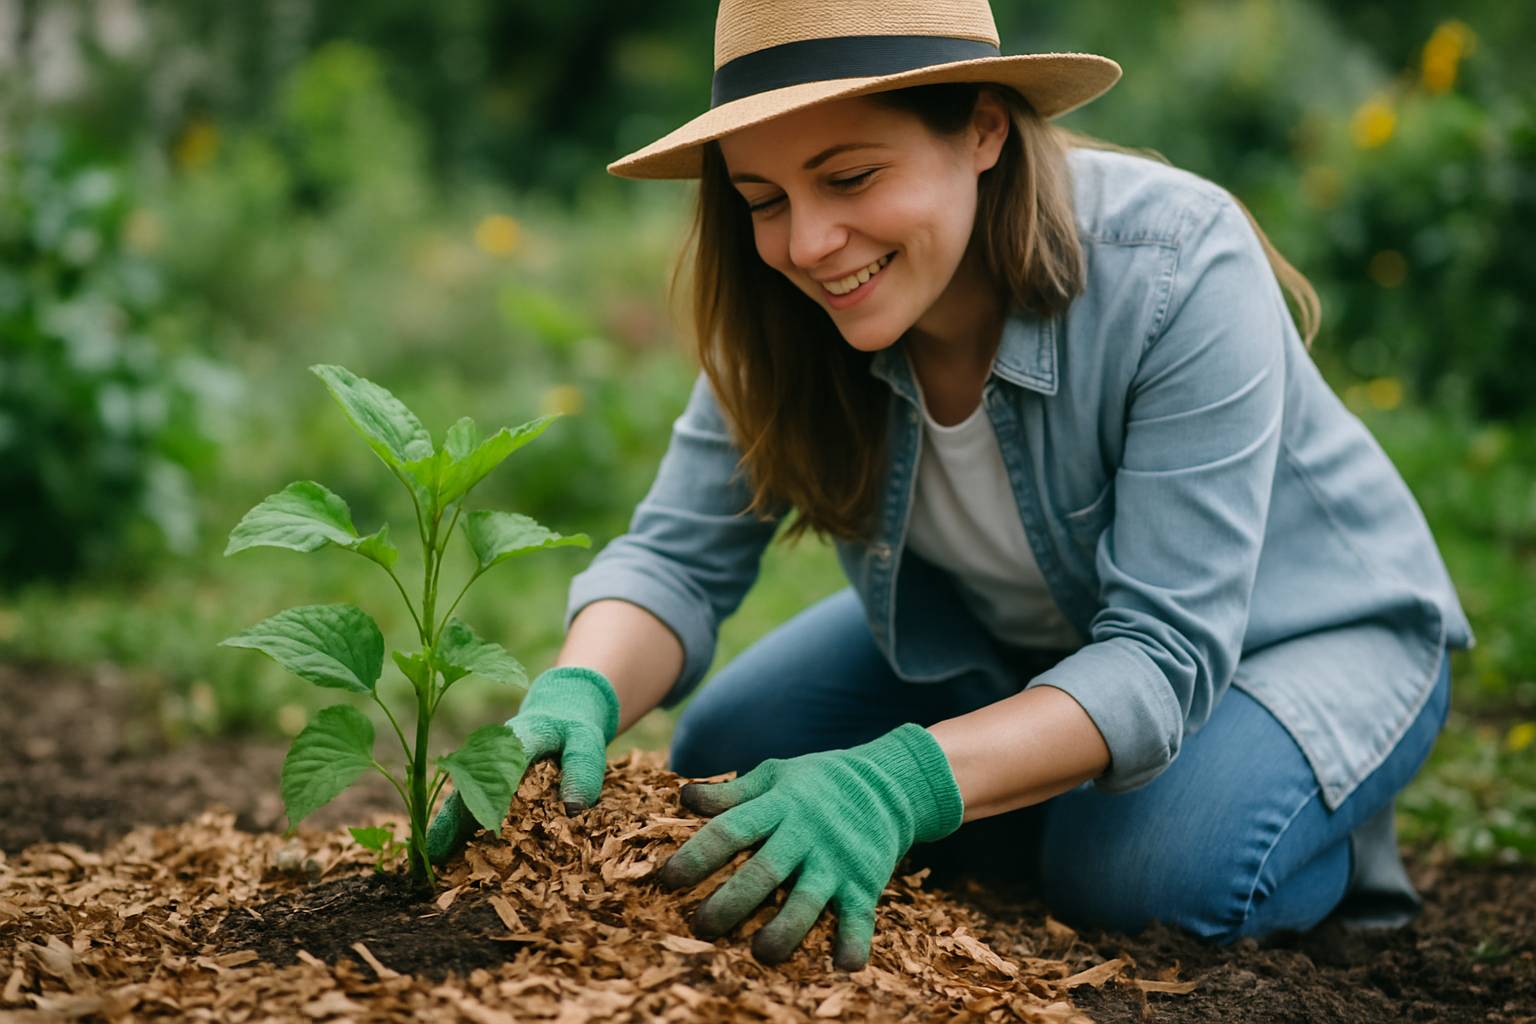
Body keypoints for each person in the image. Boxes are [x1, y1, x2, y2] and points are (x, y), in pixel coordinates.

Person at [428, 0, 1476, 973]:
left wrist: (901, 781)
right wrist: (576, 690)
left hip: (1302, 636)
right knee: (730, 756)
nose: (808, 244)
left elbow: (1162, 651)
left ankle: (1320, 821)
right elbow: (675, 557)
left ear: (982, 130)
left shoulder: (1174, 264)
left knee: (1140, 879)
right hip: (1029, 638)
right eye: (764, 200)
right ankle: (1040, 786)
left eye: (848, 178)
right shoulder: (781, 306)